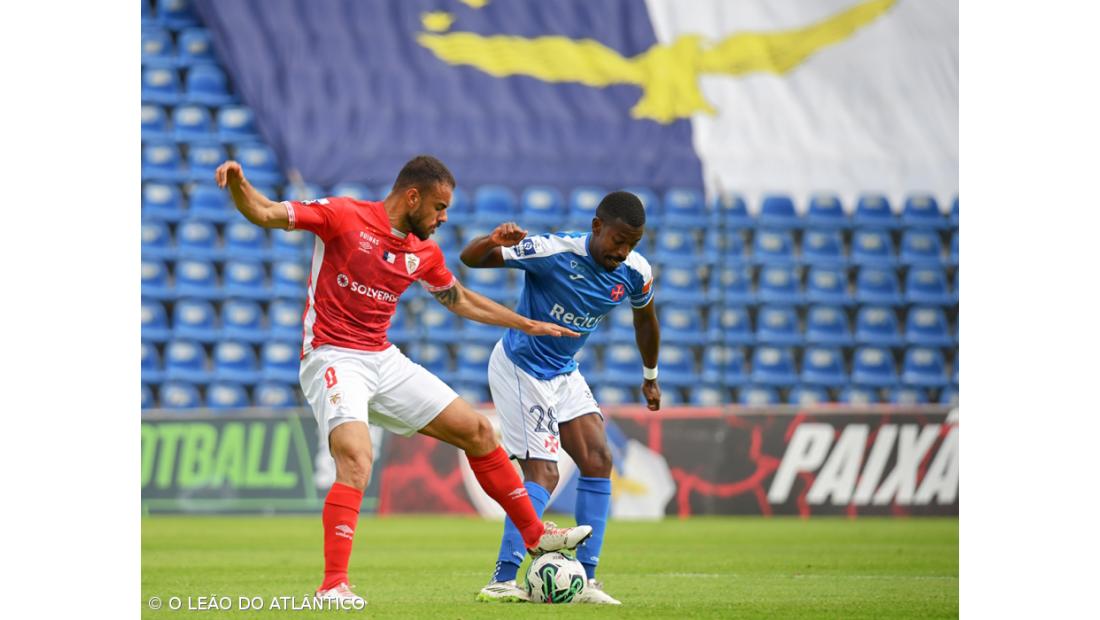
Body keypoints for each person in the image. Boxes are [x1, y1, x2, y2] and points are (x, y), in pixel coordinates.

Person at [214, 155, 594, 605]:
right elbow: (265, 212)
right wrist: (239, 183)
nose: (443, 218)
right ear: (413, 197)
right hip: (333, 354)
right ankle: (333, 586)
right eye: (439, 207)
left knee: (477, 431)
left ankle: (534, 535)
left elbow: (460, 299)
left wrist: (526, 324)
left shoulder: (423, 252)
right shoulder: (343, 215)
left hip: (382, 357)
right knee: (357, 458)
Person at [459, 191, 662, 605]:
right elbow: (471, 259)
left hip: (564, 371)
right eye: (618, 240)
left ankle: (586, 579)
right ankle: (502, 579)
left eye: (633, 244)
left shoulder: (635, 272)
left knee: (598, 460)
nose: (623, 251)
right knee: (544, 474)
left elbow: (646, 322)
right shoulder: (552, 251)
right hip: (522, 367)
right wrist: (493, 240)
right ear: (597, 227)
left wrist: (650, 376)